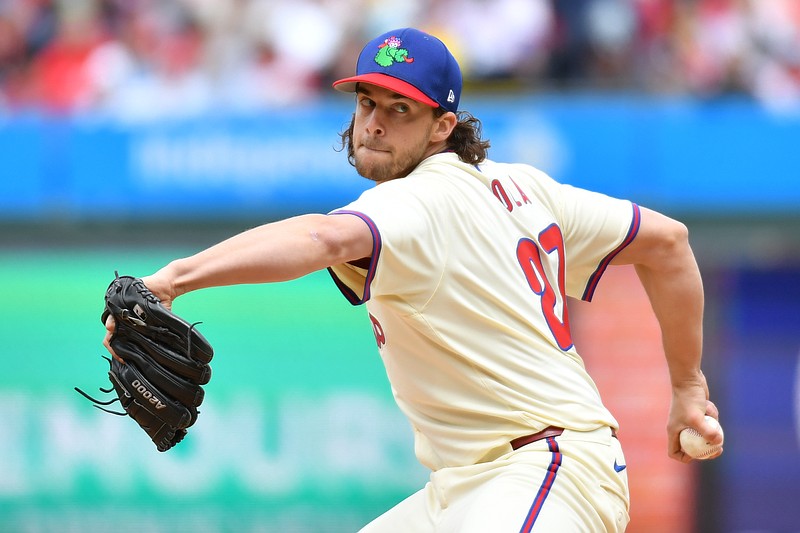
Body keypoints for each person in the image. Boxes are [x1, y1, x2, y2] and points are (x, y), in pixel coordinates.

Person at [103, 27, 722, 532]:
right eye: (368, 102)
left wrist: (173, 281)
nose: (374, 122)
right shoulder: (525, 187)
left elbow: (322, 238)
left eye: (400, 109)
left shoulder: (417, 201)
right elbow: (668, 243)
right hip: (467, 486)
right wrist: (689, 389)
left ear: (441, 127)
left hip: (543, 471)